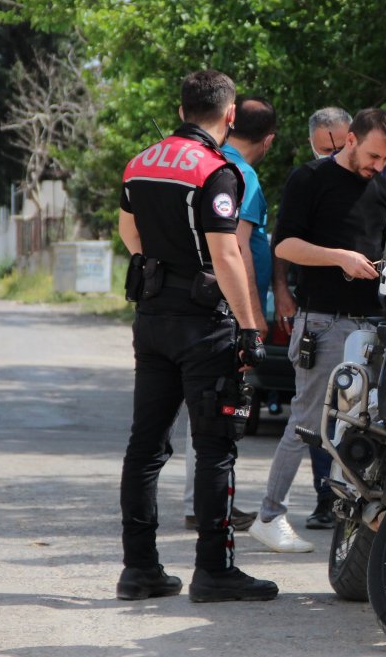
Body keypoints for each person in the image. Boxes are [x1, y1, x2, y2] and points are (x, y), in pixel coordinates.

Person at [116, 69, 277, 603]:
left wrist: (155, 264)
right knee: (214, 448)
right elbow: (227, 253)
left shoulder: (140, 162)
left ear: (181, 106)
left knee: (145, 446)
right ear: (230, 116)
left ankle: (139, 570)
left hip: (152, 316)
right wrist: (251, 327)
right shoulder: (217, 171)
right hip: (204, 324)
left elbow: (128, 230)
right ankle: (215, 571)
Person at [249, 107, 386, 552]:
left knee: (369, 427)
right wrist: (340, 258)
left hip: (373, 324)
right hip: (325, 323)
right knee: (306, 422)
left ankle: (360, 523)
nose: (379, 166)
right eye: (374, 155)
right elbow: (286, 244)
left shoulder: (383, 189)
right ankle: (269, 515)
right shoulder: (310, 179)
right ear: (350, 139)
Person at [180, 94, 277, 532]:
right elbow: (237, 248)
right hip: (225, 306)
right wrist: (252, 320)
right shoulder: (244, 174)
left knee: (201, 407)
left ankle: (199, 502)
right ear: (269, 140)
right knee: (221, 409)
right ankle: (210, 506)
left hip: (190, 298)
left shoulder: (205, 158)